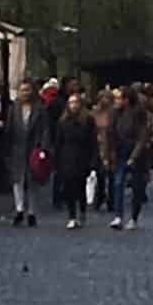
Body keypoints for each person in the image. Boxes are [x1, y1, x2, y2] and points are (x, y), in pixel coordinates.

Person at [5, 77, 51, 228]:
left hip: (33, 149)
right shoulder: (14, 108)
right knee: (18, 181)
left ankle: (32, 212)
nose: (25, 93)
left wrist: (43, 148)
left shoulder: (40, 109)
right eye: (22, 90)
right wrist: (7, 148)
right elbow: (9, 129)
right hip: (17, 148)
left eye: (28, 90)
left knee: (32, 182)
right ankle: (19, 209)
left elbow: (45, 130)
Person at [107, 84, 153, 229]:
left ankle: (133, 216)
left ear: (127, 99)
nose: (117, 101)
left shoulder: (138, 113)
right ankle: (118, 216)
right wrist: (110, 151)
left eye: (119, 98)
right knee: (118, 183)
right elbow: (110, 132)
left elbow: (142, 136)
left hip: (136, 152)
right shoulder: (114, 113)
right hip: (120, 151)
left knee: (137, 186)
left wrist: (134, 156)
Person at [54, 89, 99, 230]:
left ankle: (82, 211)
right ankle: (72, 216)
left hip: (82, 157)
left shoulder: (88, 120)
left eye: (76, 102)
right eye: (71, 102)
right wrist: (57, 160)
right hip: (67, 157)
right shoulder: (63, 121)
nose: (73, 105)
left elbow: (92, 141)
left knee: (80, 187)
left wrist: (92, 161)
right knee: (69, 188)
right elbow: (58, 141)